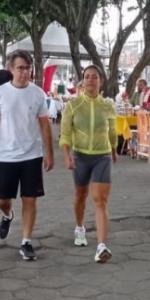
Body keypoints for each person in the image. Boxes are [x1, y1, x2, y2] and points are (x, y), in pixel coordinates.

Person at [0, 50, 54, 261]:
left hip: (32, 154)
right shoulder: (0, 93)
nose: (25, 72)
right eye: (20, 68)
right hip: (6, 155)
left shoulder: (38, 93)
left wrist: (49, 153)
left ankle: (26, 241)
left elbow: (45, 124)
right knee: (2, 199)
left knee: (30, 199)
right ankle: (7, 214)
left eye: (28, 68)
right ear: (11, 69)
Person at [59, 65, 118, 263]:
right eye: (87, 77)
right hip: (80, 156)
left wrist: (114, 150)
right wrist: (67, 155)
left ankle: (101, 246)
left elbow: (112, 131)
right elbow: (65, 133)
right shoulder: (73, 105)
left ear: (101, 81)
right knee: (80, 196)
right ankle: (79, 227)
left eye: (95, 77)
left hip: (102, 156)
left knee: (100, 200)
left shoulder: (108, 106)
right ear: (83, 81)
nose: (91, 80)